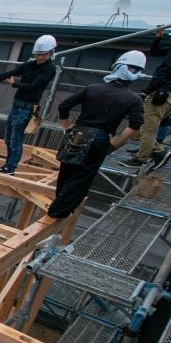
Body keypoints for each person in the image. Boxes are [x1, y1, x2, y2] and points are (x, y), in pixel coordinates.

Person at [47, 51, 145, 219]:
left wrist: (68, 126)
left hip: (77, 134)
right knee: (82, 177)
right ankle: (59, 212)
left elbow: (64, 106)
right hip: (99, 139)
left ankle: (59, 205)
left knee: (67, 171)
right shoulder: (132, 99)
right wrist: (116, 143)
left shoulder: (92, 89)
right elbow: (135, 125)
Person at [0, 34, 58, 174]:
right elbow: (8, 73)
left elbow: (34, 86)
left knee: (16, 139)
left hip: (27, 108)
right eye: (38, 54)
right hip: (17, 106)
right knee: (8, 138)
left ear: (51, 52)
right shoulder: (29, 65)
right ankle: (8, 165)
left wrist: (14, 84)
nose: (40, 57)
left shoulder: (49, 69)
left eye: (43, 54)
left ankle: (10, 168)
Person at [124, 24, 171, 167]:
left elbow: (161, 75)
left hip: (163, 95)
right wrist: (158, 37)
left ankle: (146, 156)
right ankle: (148, 149)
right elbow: (156, 51)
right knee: (146, 126)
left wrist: (146, 91)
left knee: (148, 128)